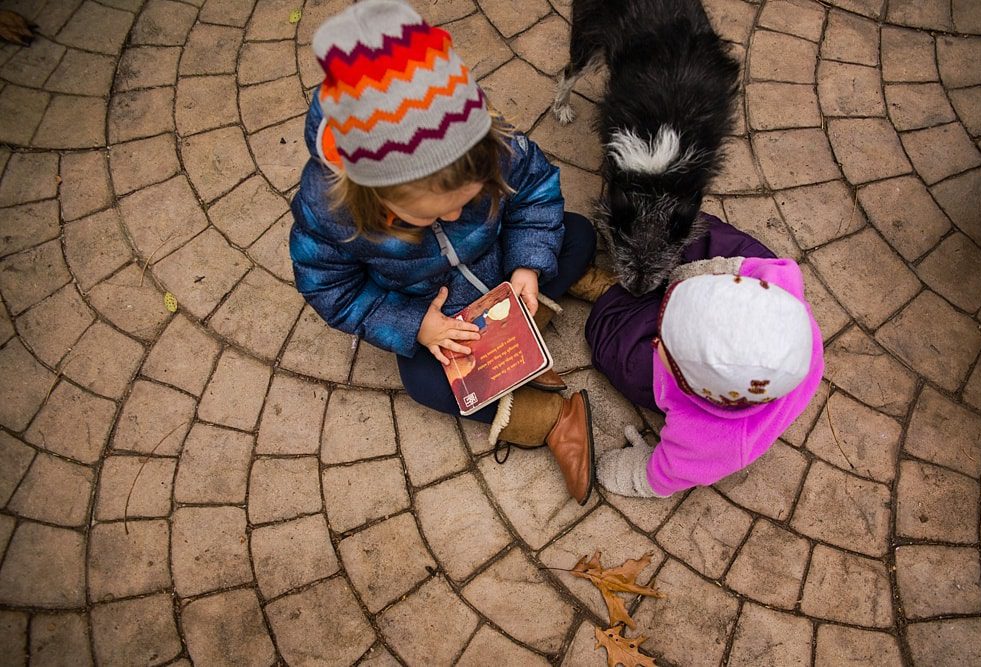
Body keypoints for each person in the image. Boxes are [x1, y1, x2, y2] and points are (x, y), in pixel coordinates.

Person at [290, 0, 598, 503]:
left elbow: (537, 192)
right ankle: (550, 420)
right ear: (376, 196)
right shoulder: (331, 212)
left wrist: (526, 266)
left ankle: (539, 301)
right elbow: (331, 288)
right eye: (433, 215)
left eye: (469, 201)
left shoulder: (494, 147)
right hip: (442, 314)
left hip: (504, 268)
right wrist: (415, 325)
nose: (455, 219)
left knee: (576, 232)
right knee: (423, 381)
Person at [572, 216, 825, 497]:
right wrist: (693, 276)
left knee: (619, 350)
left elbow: (666, 474)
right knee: (688, 229)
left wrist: (633, 474)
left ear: (694, 386)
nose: (658, 342)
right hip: (726, 299)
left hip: (714, 347)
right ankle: (642, 229)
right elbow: (741, 265)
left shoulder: (717, 437)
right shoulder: (778, 289)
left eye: (662, 344)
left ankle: (613, 295)